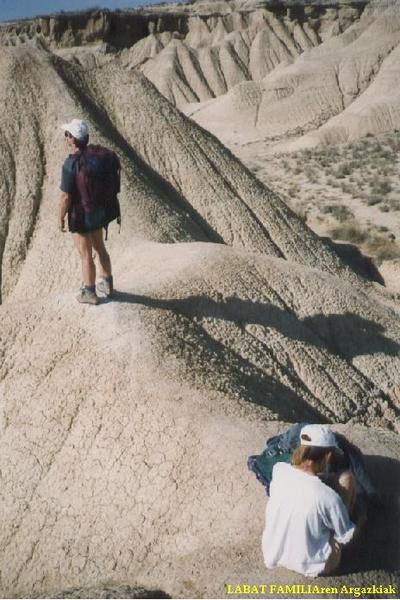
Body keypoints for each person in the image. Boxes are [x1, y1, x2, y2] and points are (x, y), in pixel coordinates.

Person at [262, 424, 359, 577]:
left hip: (274, 553)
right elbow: (344, 536)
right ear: (327, 456)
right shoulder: (328, 497)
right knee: (347, 479)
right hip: (313, 564)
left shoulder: (278, 470)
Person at [59, 118, 114, 305]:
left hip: (80, 215)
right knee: (100, 247)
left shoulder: (70, 164)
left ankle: (89, 292)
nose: (66, 138)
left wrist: (60, 218)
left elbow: (66, 196)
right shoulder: (96, 159)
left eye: (67, 135)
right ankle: (107, 283)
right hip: (97, 210)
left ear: (73, 139)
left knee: (85, 254)